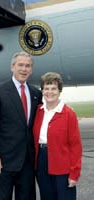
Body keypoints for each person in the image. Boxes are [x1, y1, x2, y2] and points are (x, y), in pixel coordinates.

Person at [0, 52, 42, 200]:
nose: (24, 69)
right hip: (3, 161)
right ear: (12, 67)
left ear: (31, 70)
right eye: (20, 65)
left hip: (27, 161)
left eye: (28, 66)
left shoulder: (35, 93)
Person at [33, 72, 82, 200]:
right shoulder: (38, 112)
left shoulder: (68, 114)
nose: (50, 92)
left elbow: (75, 146)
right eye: (46, 88)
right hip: (41, 162)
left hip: (62, 164)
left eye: (54, 88)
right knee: (47, 196)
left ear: (59, 91)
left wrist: (74, 173)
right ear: (42, 91)